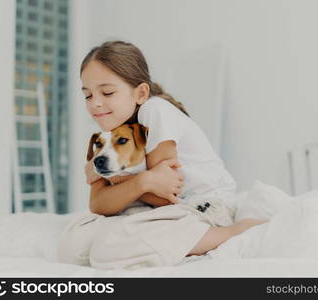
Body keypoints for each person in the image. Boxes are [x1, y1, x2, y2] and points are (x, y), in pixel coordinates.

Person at [57, 40, 266, 270]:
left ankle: (236, 231)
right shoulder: (107, 132)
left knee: (109, 251)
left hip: (202, 208)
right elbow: (98, 203)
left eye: (107, 92)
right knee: (73, 245)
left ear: (141, 93)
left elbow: (167, 197)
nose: (95, 103)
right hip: (160, 210)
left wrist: (119, 179)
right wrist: (142, 183)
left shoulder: (153, 111)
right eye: (87, 95)